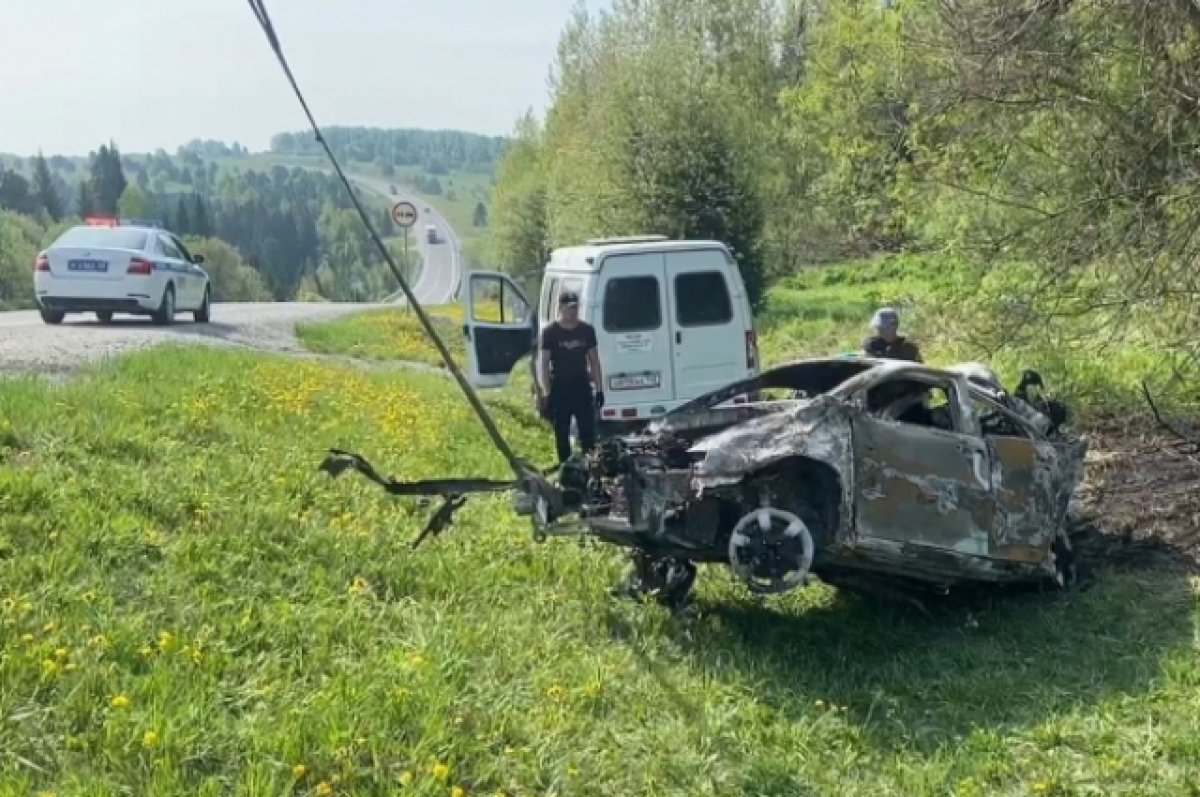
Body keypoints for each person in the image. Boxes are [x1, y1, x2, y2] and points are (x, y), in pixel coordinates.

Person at [536, 290, 605, 464]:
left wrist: (599, 390)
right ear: (560, 308)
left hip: (581, 386)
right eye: (569, 308)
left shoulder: (586, 330)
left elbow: (594, 362)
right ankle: (566, 470)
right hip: (560, 386)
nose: (572, 312)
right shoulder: (550, 332)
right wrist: (547, 393)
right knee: (562, 433)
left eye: (575, 308)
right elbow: (544, 364)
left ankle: (591, 468)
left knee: (587, 433)